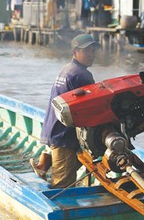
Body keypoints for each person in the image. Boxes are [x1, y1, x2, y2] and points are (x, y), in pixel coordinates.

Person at [32, 33, 99, 188]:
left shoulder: (66, 69)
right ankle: (59, 207)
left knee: (69, 167)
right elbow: (91, 107)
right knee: (63, 184)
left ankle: (44, 165)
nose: (91, 54)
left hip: (53, 128)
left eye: (93, 50)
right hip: (64, 136)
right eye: (86, 51)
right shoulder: (81, 75)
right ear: (74, 52)